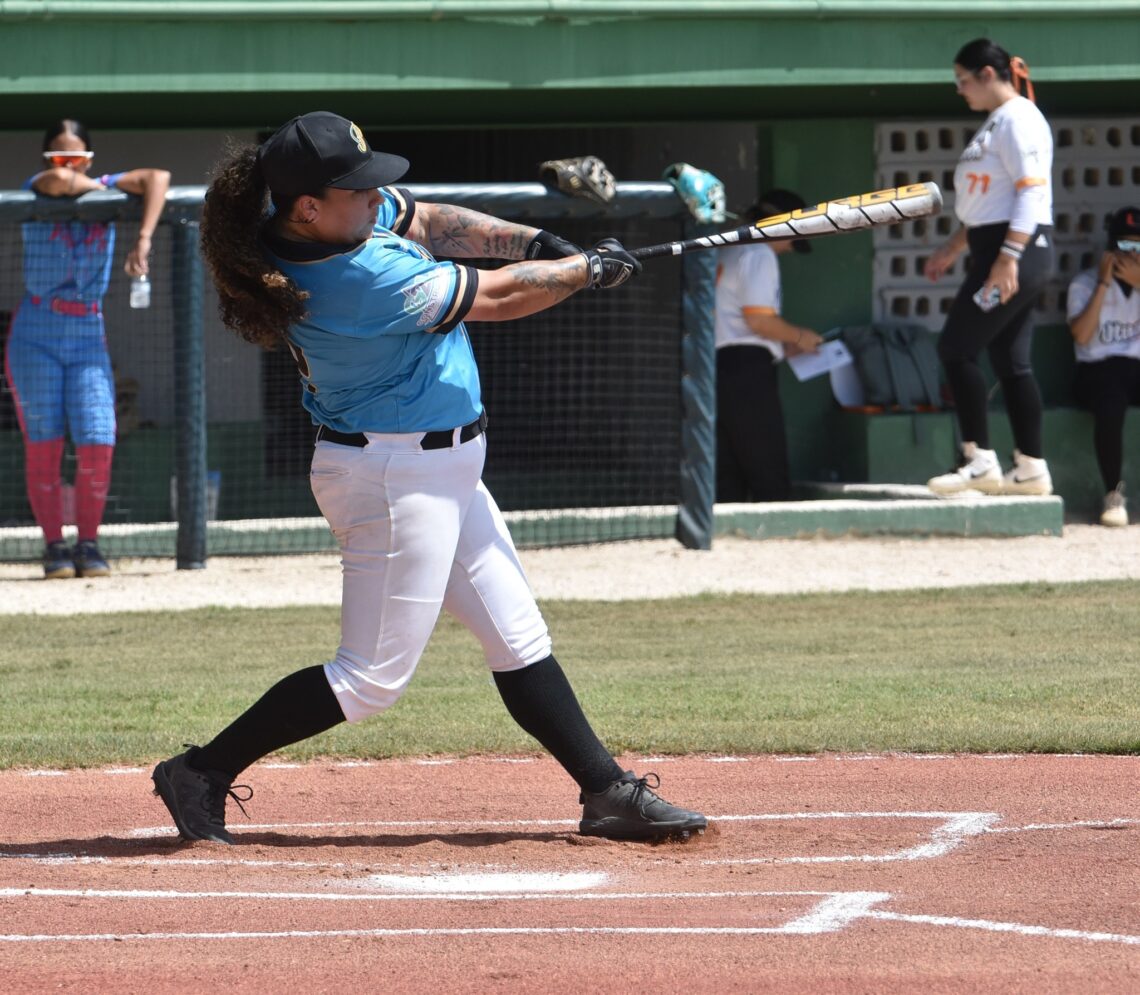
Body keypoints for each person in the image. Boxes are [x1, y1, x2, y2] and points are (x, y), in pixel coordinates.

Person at [150, 111, 707, 845]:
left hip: (441, 465)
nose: (373, 198)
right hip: (392, 474)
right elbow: (504, 297)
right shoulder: (352, 281)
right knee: (370, 678)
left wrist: (538, 243)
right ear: (307, 207)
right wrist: (584, 272)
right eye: (354, 189)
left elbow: (436, 219)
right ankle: (201, 770)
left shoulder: (336, 221)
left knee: (516, 634)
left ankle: (607, 791)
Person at [5, 119, 171, 578]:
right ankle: (55, 546)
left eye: (78, 158)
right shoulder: (39, 184)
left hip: (86, 331)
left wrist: (142, 236)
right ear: (46, 160)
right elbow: (58, 183)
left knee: (98, 437)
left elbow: (158, 179)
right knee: (45, 444)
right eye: (59, 157)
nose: (67, 166)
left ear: (90, 160)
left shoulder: (103, 188)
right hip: (36, 329)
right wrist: (102, 187)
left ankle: (89, 544)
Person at [923, 39, 1055, 497]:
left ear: (985, 74)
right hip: (998, 249)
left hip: (1014, 252)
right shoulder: (996, 124)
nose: (960, 91)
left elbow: (1030, 192)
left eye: (962, 80)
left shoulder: (1019, 119)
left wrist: (1007, 258)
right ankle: (1031, 467)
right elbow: (987, 200)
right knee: (1011, 362)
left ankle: (978, 459)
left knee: (956, 349)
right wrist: (955, 246)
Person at [714, 191, 822, 502]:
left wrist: (782, 346)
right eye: (792, 239)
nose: (790, 248)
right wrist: (803, 337)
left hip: (718, 366)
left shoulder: (729, 250)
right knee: (767, 467)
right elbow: (757, 322)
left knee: (729, 473)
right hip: (747, 371)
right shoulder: (759, 252)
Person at [1066, 206, 1140, 527]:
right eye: (1126, 247)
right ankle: (1113, 495)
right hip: (1096, 370)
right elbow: (1082, 336)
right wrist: (1103, 283)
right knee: (1111, 401)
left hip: (1134, 368)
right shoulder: (1084, 285)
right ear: (1111, 250)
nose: (1133, 254)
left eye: (1139, 246)